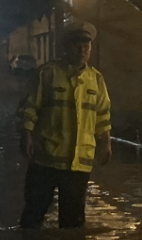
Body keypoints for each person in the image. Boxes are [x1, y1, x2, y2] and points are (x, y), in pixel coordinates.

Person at [17, 22, 113, 229]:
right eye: (77, 44)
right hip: (46, 159)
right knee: (34, 213)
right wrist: (26, 136)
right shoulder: (47, 74)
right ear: (66, 47)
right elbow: (29, 108)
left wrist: (106, 143)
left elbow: (102, 114)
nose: (82, 49)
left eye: (86, 45)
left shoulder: (95, 79)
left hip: (78, 162)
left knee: (73, 220)